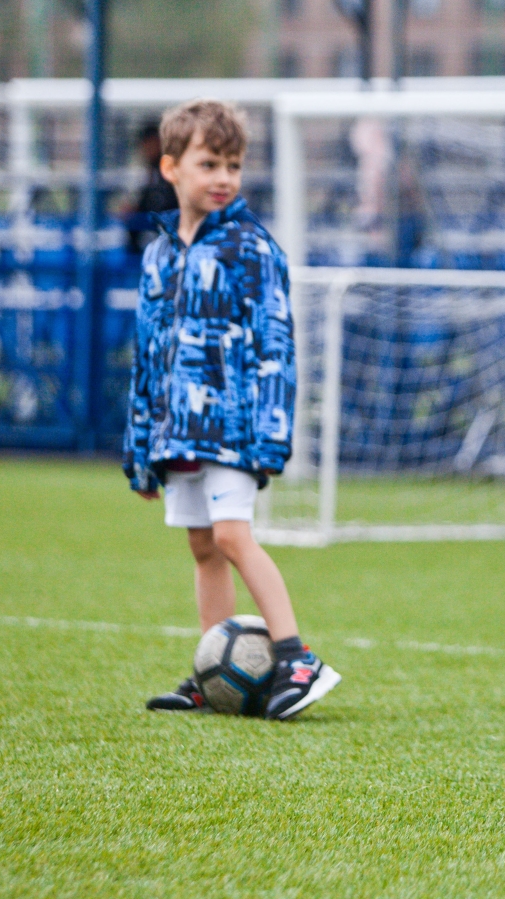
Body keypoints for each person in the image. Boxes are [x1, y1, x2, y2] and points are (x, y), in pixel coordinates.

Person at [123, 99, 340, 721]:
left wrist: (273, 433)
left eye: (234, 165)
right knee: (201, 545)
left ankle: (298, 657)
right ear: (170, 167)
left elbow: (277, 344)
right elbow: (149, 353)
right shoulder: (159, 254)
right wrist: (141, 449)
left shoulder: (252, 249)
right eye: (209, 163)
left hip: (236, 428)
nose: (223, 177)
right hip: (176, 432)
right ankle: (209, 669)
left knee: (231, 534)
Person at [121, 122, 180, 254]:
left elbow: (164, 201)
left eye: (150, 143)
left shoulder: (168, 169)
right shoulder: (151, 169)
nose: (146, 149)